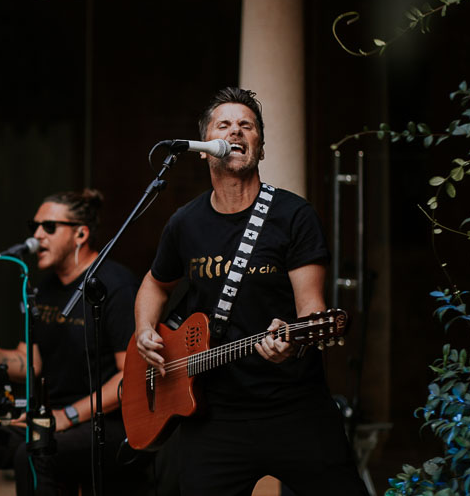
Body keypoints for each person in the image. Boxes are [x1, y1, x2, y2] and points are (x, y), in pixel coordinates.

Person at [134, 88, 368, 496]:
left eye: (247, 125)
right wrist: (144, 329)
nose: (236, 131)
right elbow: (155, 283)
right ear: (205, 149)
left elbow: (313, 309)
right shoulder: (184, 223)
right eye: (223, 125)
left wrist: (293, 342)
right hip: (213, 412)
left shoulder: (293, 216)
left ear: (259, 147)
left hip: (293, 406)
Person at [0, 189, 139, 496]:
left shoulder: (115, 285)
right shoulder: (42, 290)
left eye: (48, 227)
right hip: (47, 419)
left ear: (80, 234)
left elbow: (131, 376)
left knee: (34, 453)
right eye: (34, 226)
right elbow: (29, 363)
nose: (37, 235)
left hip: (107, 422)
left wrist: (69, 415)